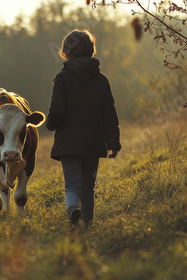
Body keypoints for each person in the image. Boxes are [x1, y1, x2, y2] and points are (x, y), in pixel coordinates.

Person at [46, 29, 121, 227]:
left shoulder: (62, 78)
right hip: (93, 143)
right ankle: (88, 224)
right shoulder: (102, 80)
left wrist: (50, 124)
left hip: (69, 143)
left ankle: (73, 211)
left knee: (72, 184)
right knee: (88, 188)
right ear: (91, 50)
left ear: (66, 52)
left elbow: (56, 110)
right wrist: (113, 142)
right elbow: (109, 114)